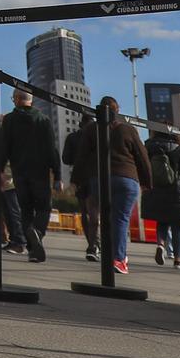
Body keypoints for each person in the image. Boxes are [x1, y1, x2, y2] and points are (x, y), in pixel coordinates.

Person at [71, 98, 150, 274]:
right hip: (126, 178)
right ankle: (119, 258)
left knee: (100, 217)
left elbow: (81, 156)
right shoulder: (128, 129)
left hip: (99, 178)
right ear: (118, 109)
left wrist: (76, 180)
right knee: (120, 218)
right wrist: (147, 181)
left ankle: (103, 252)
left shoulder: (91, 129)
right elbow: (141, 155)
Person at [0, 88, 59, 262]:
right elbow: (52, 149)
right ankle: (36, 232)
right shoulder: (43, 120)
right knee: (44, 207)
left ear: (16, 99)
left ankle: (33, 250)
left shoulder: (9, 120)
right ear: (31, 100)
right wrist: (58, 175)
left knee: (26, 210)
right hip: (40, 171)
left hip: (19, 171)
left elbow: (4, 147)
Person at [143, 129, 180, 269]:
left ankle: (161, 245)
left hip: (156, 189)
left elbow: (143, 166)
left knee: (161, 221)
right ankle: (178, 260)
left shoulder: (149, 147)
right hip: (176, 191)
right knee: (177, 226)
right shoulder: (177, 149)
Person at [65, 112, 99, 261]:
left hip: (79, 177)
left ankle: (91, 243)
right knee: (95, 211)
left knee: (84, 212)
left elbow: (66, 158)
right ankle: (95, 243)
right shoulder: (99, 136)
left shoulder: (73, 138)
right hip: (97, 175)